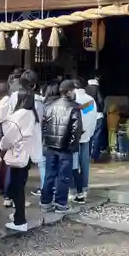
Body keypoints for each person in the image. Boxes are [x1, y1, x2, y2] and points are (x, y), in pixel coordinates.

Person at [1, 89, 42, 232]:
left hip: (18, 154)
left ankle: (20, 221)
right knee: (20, 186)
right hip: (28, 156)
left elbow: (9, 136)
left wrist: (2, 146)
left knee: (16, 188)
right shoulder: (33, 115)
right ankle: (18, 215)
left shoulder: (20, 115)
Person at [40, 79, 82, 213]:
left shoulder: (49, 106)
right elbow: (76, 130)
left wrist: (46, 142)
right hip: (65, 148)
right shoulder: (74, 107)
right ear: (69, 92)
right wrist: (72, 146)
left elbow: (44, 126)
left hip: (50, 146)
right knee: (63, 176)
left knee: (49, 175)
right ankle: (60, 203)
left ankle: (45, 202)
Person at [71, 80, 97, 204]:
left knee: (73, 164)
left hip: (73, 137)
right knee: (84, 162)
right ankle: (84, 186)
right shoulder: (90, 99)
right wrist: (89, 133)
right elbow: (92, 118)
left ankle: (74, 189)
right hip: (86, 136)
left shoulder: (72, 99)